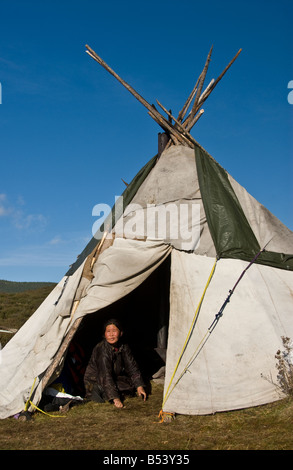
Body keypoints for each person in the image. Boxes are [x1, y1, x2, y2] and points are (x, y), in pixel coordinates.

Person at [83, 318, 147, 408]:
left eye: (114, 331)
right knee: (107, 391)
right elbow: (105, 375)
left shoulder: (123, 346)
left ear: (120, 333)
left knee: (129, 387)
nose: (111, 335)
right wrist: (115, 398)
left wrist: (139, 386)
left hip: (113, 377)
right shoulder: (102, 350)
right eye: (108, 331)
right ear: (104, 334)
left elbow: (132, 367)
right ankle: (107, 395)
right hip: (96, 381)